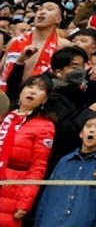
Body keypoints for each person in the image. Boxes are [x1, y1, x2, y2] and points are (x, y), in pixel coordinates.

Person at [32, 112, 96, 227]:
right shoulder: (65, 160)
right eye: (88, 126)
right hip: (50, 222)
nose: (92, 130)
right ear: (81, 133)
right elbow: (47, 195)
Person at [0, 74, 57, 227]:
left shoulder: (45, 127)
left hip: (12, 190)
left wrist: (25, 201)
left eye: (40, 89)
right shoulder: (4, 116)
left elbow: (38, 167)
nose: (32, 92)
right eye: (30, 86)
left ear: (45, 99)